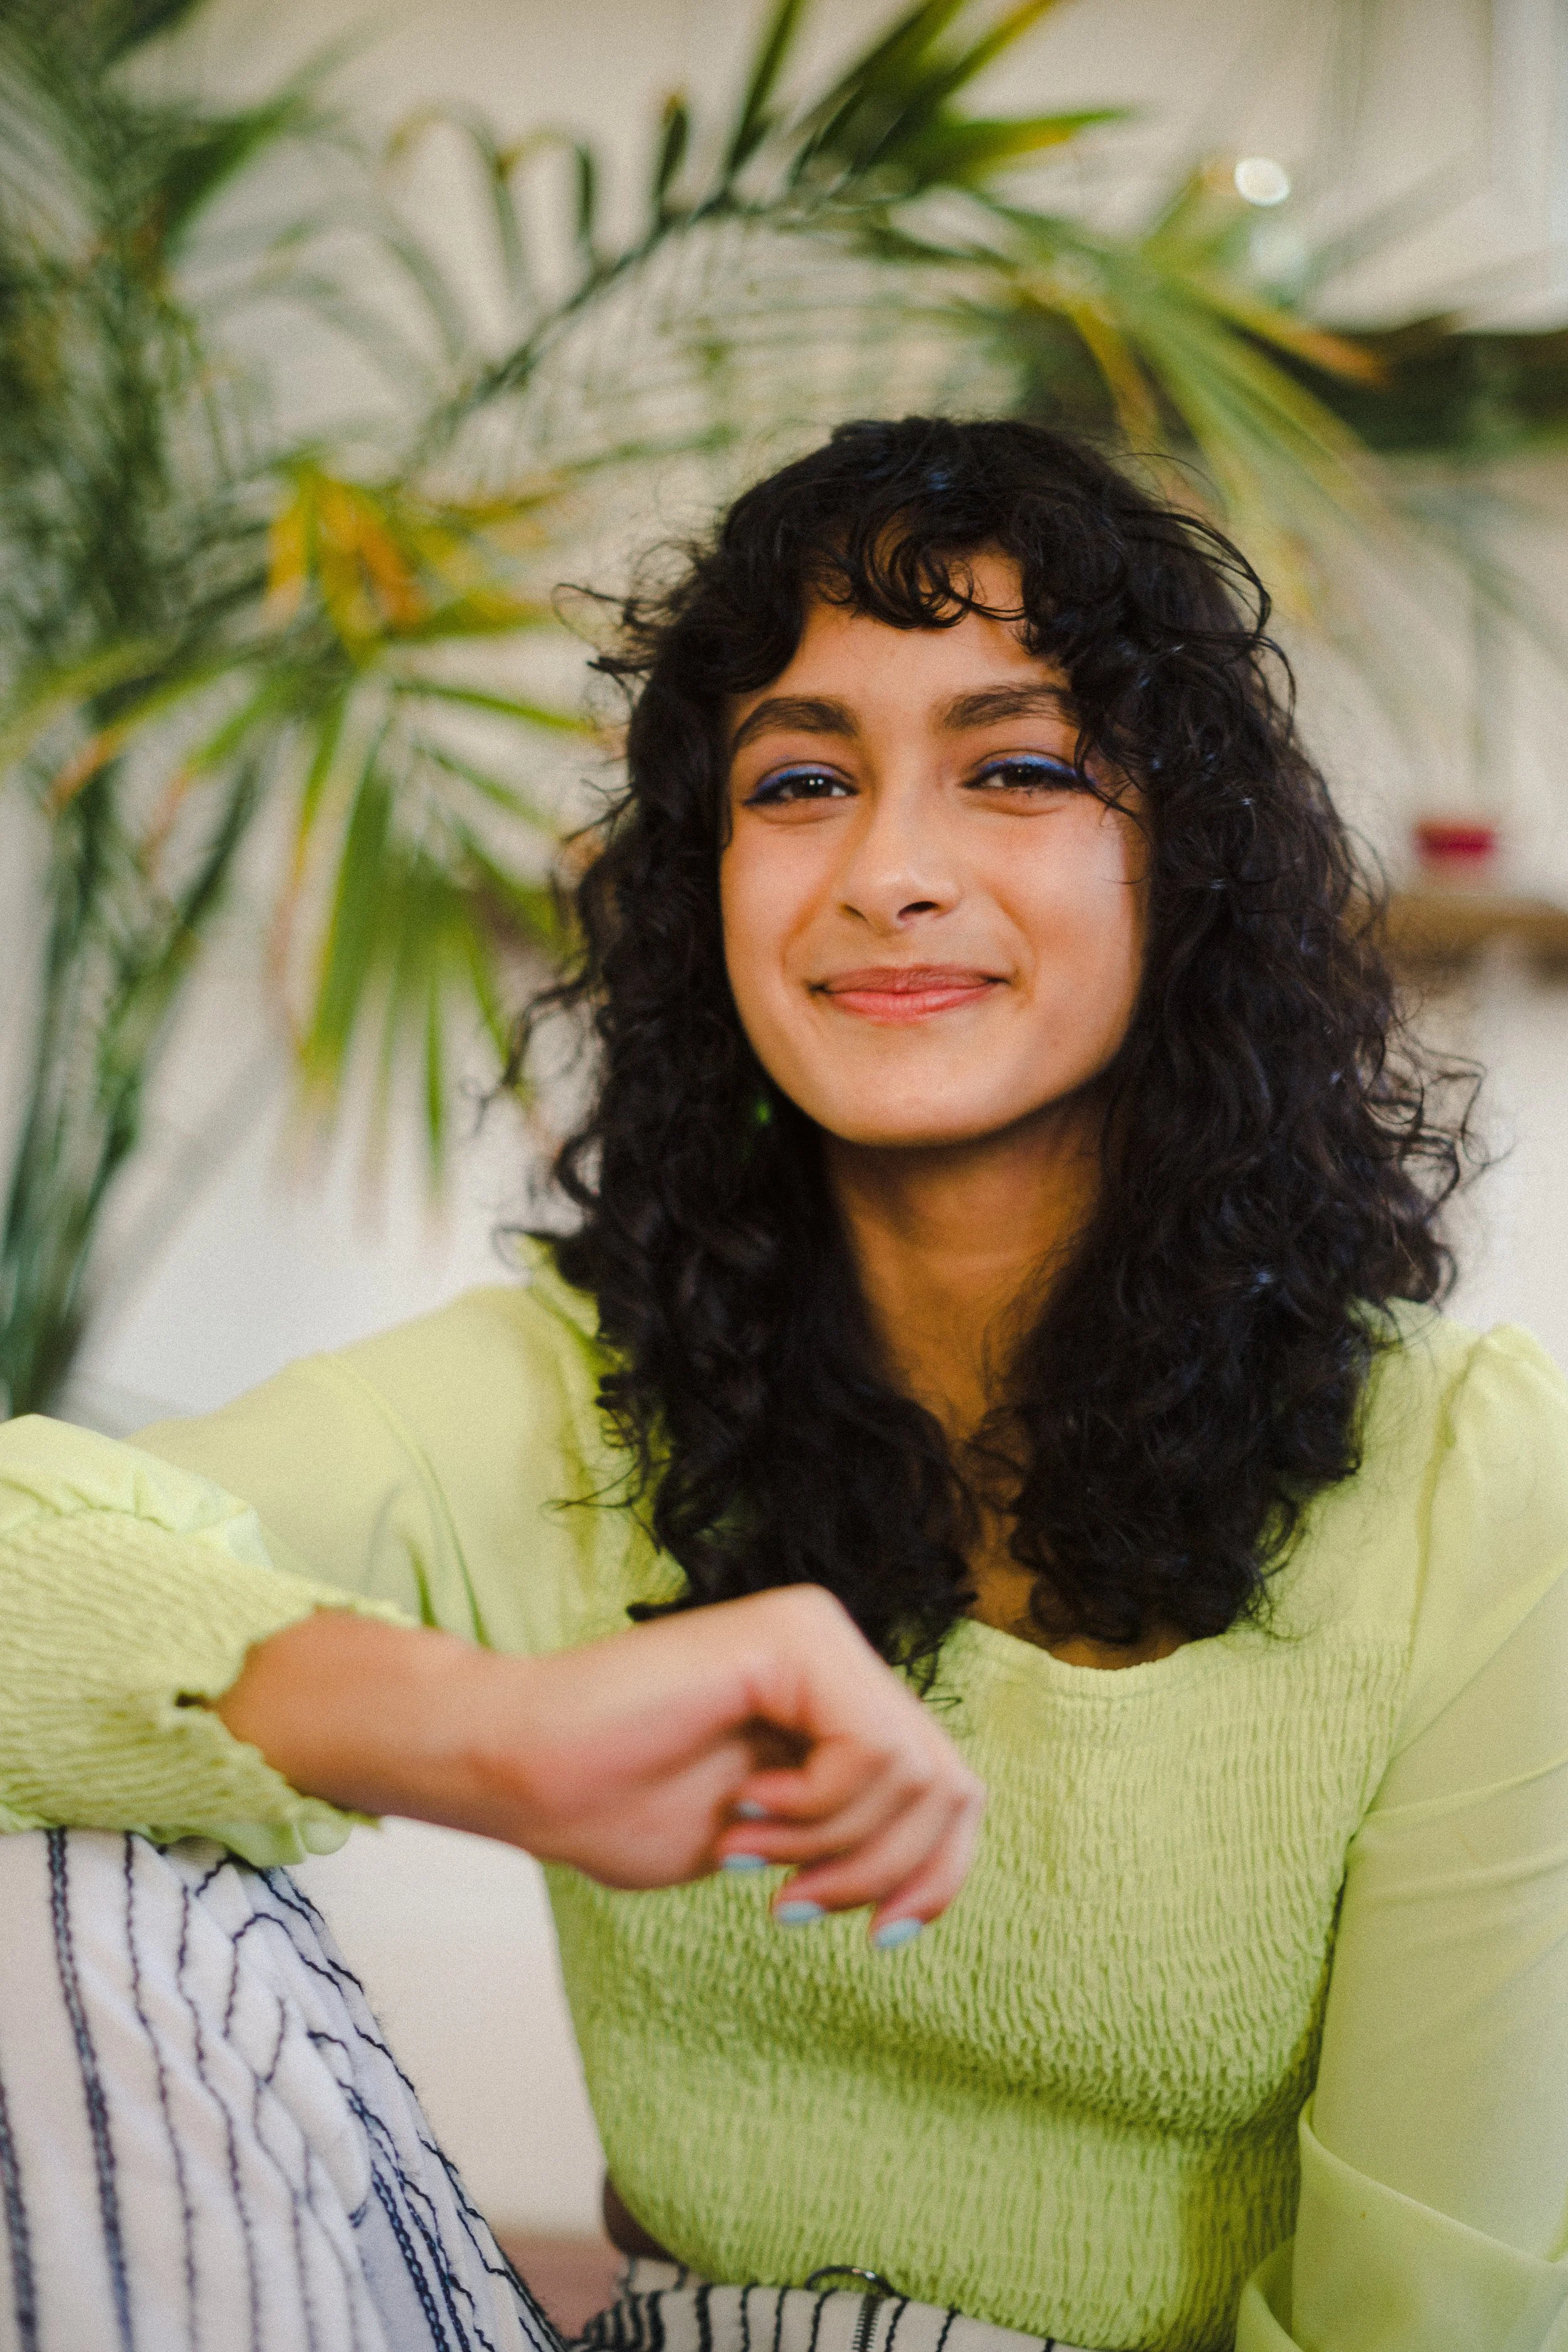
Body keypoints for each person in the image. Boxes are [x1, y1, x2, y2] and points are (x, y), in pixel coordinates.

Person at [2, 415, 1566, 2352]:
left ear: (1188, 871)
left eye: (1015, 767)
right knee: (55, 1862)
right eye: (803, 779)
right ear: (707, 882)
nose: (888, 872)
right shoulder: (572, 1396)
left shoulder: (1472, 1484)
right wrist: (484, 1736)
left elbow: (1435, 2312)